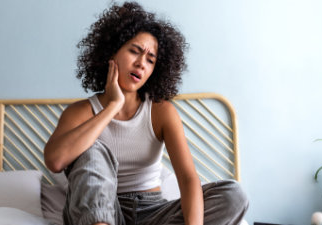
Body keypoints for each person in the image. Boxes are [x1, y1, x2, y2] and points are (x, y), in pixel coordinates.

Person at [44, 2, 248, 225]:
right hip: (100, 213)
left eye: (150, 60)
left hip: (153, 212)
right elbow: (55, 161)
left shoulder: (161, 111)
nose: (141, 63)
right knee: (91, 149)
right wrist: (112, 106)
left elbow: (188, 179)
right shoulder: (81, 111)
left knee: (233, 195)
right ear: (111, 51)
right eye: (134, 51)